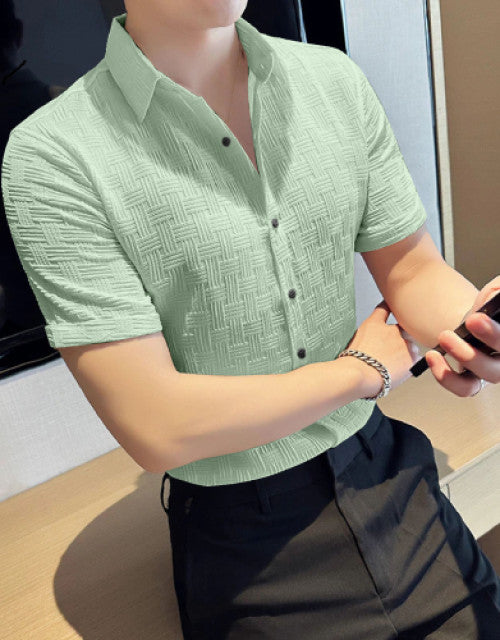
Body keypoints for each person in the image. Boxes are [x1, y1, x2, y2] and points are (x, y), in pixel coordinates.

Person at [1, 0, 499, 638]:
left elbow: (410, 268)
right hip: (244, 539)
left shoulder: (333, 80)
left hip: (388, 471)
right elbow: (156, 425)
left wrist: (474, 325)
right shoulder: (53, 154)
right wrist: (360, 372)